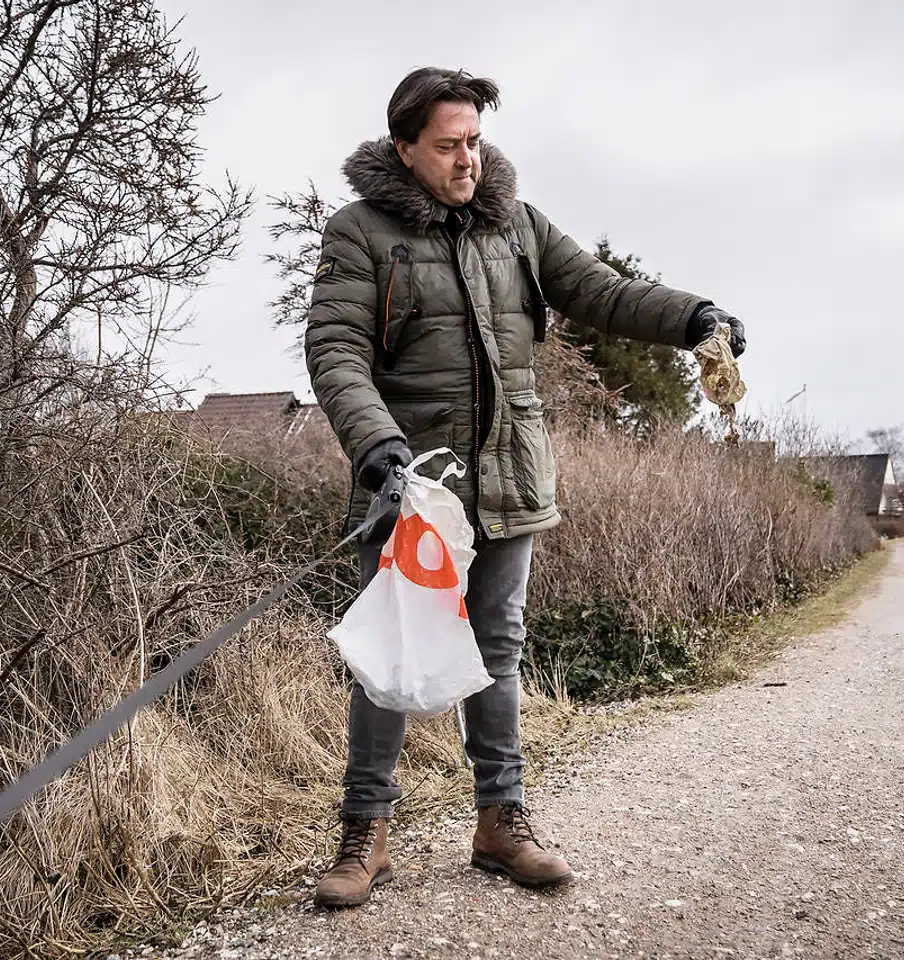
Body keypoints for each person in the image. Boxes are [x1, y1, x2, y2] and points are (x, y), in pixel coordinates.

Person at [303, 67, 746, 908]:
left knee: (500, 647)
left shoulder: (519, 226)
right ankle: (366, 835)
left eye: (474, 141)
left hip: (511, 476)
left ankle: (500, 823)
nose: (466, 159)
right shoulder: (359, 232)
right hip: (411, 484)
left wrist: (694, 318)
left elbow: (602, 291)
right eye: (447, 146)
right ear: (405, 148)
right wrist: (377, 448)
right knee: (387, 657)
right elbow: (334, 350)